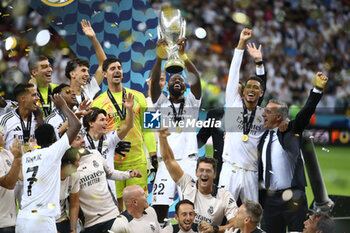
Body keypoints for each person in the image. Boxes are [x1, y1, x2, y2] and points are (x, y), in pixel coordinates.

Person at [258, 72, 329, 233]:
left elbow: (305, 114)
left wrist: (317, 89)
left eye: (268, 112)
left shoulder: (291, 131)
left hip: (293, 199)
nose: (263, 114)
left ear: (279, 117)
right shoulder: (262, 137)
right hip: (270, 200)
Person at [91, 57, 157, 210]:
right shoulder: (98, 103)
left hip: (137, 160)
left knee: (139, 205)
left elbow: (148, 129)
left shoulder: (139, 97)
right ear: (104, 74)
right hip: (112, 164)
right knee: (118, 207)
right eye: (112, 68)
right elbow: (96, 136)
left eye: (119, 68)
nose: (117, 71)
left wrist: (153, 155)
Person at [150, 37, 202, 223]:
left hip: (188, 163)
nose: (177, 80)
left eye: (181, 79)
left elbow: (196, 82)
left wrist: (184, 56)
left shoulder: (192, 102)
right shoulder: (160, 102)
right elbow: (155, 82)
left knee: (190, 211)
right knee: (158, 211)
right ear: (168, 86)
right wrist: (159, 57)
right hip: (165, 164)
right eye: (174, 79)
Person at [15, 94, 81, 233]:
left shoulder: (27, 156)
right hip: (42, 219)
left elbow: (20, 177)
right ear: (53, 140)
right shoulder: (53, 152)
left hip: (22, 218)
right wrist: (63, 106)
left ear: (37, 141)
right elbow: (76, 125)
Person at [219, 28, 266, 203]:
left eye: (256, 88)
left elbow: (263, 84)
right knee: (220, 213)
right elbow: (233, 74)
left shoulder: (263, 115)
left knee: (252, 220)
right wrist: (241, 43)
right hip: (230, 169)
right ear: (243, 91)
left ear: (261, 94)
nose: (251, 90)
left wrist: (259, 62)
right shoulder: (233, 105)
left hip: (251, 173)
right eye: (248, 87)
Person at [158, 129, 237, 232]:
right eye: (201, 170)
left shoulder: (224, 196)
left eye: (208, 171)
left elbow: (236, 224)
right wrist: (162, 138)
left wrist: (215, 229)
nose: (204, 174)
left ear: (214, 175)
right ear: (196, 173)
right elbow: (168, 160)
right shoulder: (187, 183)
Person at [69, 135, 142, 233]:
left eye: (82, 138)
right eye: (77, 139)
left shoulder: (95, 154)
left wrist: (129, 174)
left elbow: (110, 173)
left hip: (112, 216)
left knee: (122, 226)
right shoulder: (67, 167)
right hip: (90, 224)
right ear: (68, 143)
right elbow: (72, 203)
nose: (83, 141)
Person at [82, 92, 134, 198]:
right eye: (102, 120)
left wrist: (129, 109)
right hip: (88, 191)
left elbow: (128, 126)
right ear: (91, 123)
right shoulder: (81, 140)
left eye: (106, 119)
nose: (106, 122)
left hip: (109, 191)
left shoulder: (110, 138)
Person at [65, 19, 107, 105]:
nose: (87, 74)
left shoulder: (88, 89)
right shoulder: (63, 95)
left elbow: (104, 64)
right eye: (83, 70)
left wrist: (93, 38)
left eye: (87, 71)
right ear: (72, 74)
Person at [0, 83, 43, 151]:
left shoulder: (39, 120)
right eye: (34, 95)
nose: (38, 98)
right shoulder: (4, 120)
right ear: (22, 98)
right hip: (13, 161)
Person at [0, 137, 22, 233]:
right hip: (2, 223)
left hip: (10, 221)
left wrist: (29, 153)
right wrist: (17, 159)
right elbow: (9, 184)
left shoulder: (6, 153)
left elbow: (21, 176)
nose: (2, 133)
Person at [56, 148, 81, 233]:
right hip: (44, 220)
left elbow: (74, 204)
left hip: (61, 219)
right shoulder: (50, 177)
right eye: (76, 162)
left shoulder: (75, 176)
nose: (79, 165)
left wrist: (73, 229)